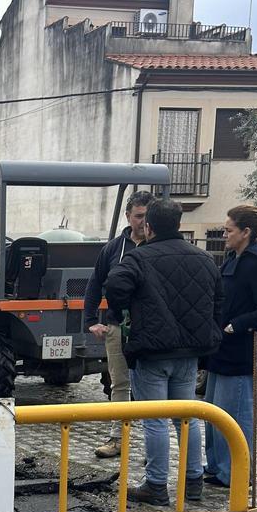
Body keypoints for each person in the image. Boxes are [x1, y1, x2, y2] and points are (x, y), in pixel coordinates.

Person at [104, 199, 222, 506]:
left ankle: (156, 485)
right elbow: (218, 300)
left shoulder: (139, 258)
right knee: (187, 417)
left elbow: (114, 285)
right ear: (179, 223)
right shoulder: (204, 259)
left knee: (154, 419)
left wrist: (125, 310)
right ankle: (193, 481)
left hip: (152, 352)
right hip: (189, 353)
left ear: (148, 226)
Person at [203, 205, 257, 489]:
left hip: (239, 350)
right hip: (220, 350)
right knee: (214, 412)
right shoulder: (233, 258)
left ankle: (236, 471)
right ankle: (217, 465)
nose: (224, 234)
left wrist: (236, 325)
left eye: (228, 230)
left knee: (235, 415)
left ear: (246, 232)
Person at [83, 191, 153, 458]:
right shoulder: (113, 248)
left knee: (150, 386)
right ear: (128, 216)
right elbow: (94, 282)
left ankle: (152, 443)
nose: (142, 222)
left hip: (150, 328)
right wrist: (91, 321)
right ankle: (117, 439)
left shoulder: (158, 246)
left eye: (147, 216)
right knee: (120, 383)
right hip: (116, 325)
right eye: (138, 216)